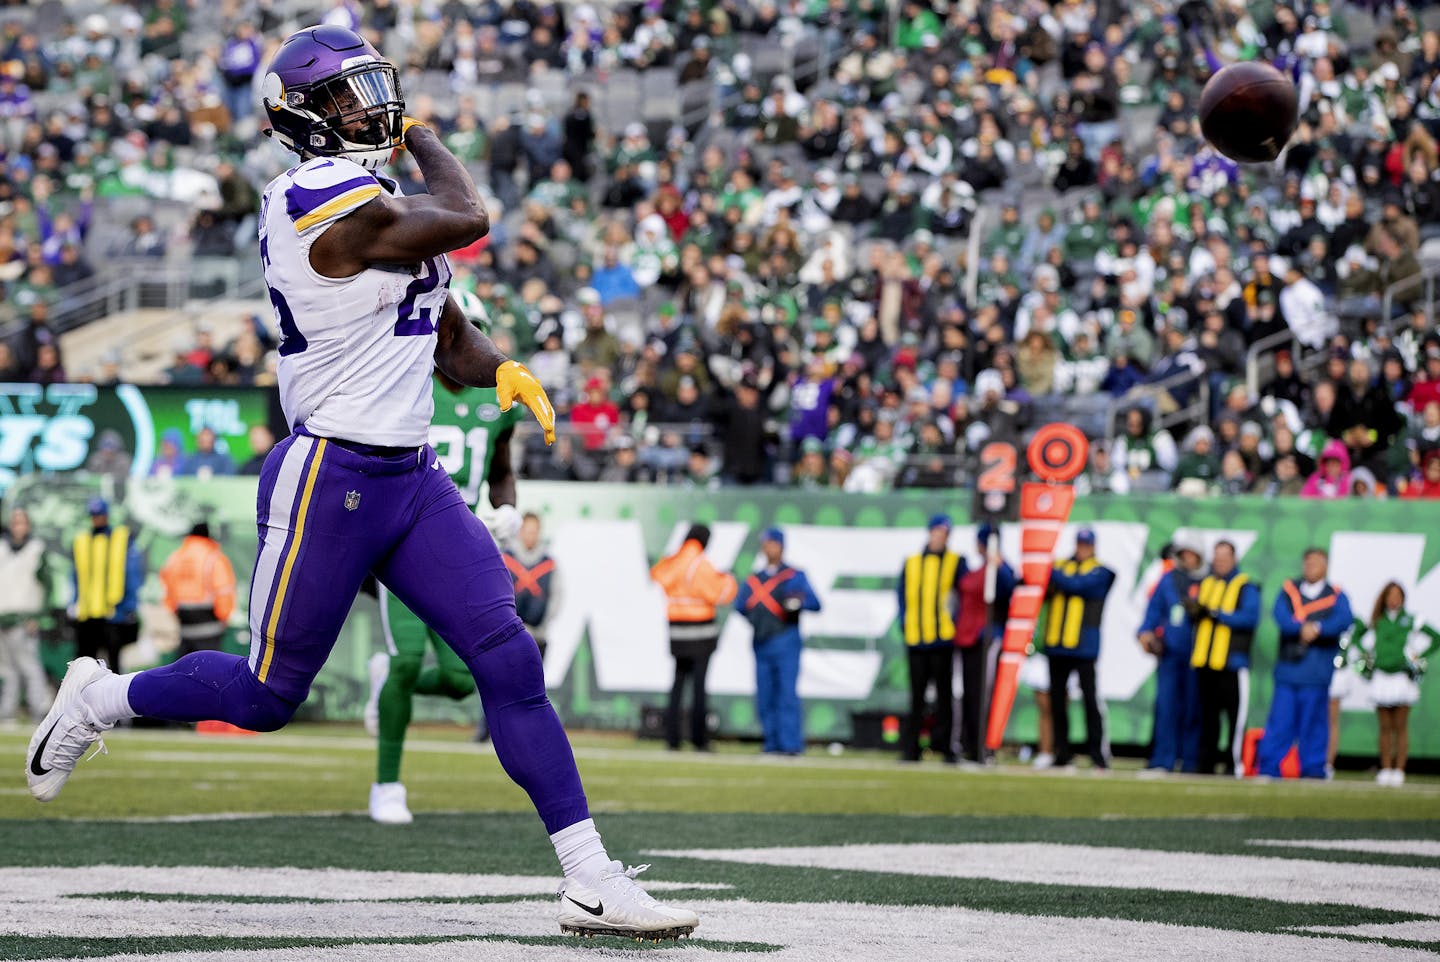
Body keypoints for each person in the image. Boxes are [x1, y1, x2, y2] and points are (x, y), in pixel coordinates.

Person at [28, 26, 698, 942]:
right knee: (267, 696)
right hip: (331, 470)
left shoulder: (370, 199)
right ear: (299, 119)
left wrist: (501, 370)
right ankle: (98, 696)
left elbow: (448, 331)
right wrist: (423, 135)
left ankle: (589, 875)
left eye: (370, 90)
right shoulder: (312, 194)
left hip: (412, 475)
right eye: (345, 97)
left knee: (508, 658)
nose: (368, 109)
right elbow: (467, 216)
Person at [362, 286, 542, 824]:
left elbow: (501, 471)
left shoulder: (496, 403)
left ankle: (386, 680)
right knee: (408, 660)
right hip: (404, 538)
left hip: (460, 542)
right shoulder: (405, 384)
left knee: (466, 679)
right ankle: (387, 785)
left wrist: (507, 507)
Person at [1256, 548, 1353, 780]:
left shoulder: (1336, 594)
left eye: (1316, 563)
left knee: (1314, 725)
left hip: (1317, 673)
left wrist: (1317, 629)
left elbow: (1344, 620)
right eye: (1307, 562)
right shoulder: (1290, 590)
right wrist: (1302, 628)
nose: (1310, 567)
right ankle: (1269, 767)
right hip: (1288, 671)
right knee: (1280, 723)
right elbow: (1280, 616)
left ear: (1325, 566)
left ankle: (1312, 769)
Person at [734, 527, 821, 756]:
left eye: (772, 543)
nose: (768, 547)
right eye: (765, 543)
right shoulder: (755, 580)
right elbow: (740, 605)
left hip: (786, 640)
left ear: (781, 546)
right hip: (761, 641)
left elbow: (814, 602)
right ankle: (771, 742)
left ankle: (790, 744)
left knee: (786, 694)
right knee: (765, 694)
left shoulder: (794, 576)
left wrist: (796, 602)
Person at [651, 524, 737, 752]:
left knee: (678, 684)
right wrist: (729, 579)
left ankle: (672, 738)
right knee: (699, 687)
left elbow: (657, 575)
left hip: (677, 631)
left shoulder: (674, 560)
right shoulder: (701, 563)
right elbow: (721, 593)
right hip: (701, 633)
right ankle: (699, 739)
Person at [1042, 528, 1115, 770]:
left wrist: (1049, 570)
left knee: (1089, 701)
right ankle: (1061, 752)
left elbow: (1078, 585)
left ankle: (1097, 754)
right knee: (1057, 703)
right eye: (1080, 543)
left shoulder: (1100, 571)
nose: (1082, 548)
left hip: (1083, 647)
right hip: (1057, 645)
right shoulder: (1062, 565)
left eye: (1087, 544)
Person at [1353, 582, 1439, 786]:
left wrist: (1419, 657)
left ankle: (1399, 769)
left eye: (1397, 595)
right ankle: (1385, 768)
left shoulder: (1411, 620)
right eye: (1390, 595)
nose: (1394, 599)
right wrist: (1365, 655)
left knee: (1400, 726)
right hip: (1381, 677)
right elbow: (1356, 636)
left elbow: (1436, 638)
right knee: (1384, 726)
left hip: (1402, 677)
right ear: (1384, 598)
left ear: (1403, 598)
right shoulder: (1377, 620)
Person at [1188, 541, 1261, 776]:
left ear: (1234, 558)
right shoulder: (1206, 583)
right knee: (1207, 718)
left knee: (1234, 719)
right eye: (1216, 557)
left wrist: (1217, 614)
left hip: (1232, 662)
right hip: (1205, 662)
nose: (1219, 562)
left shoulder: (1245, 586)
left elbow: (1249, 618)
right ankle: (1205, 764)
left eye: (1224, 557)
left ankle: (1234, 764)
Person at [896, 515, 961, 763]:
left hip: (943, 638)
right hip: (917, 637)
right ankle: (911, 748)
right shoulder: (912, 562)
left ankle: (945, 746)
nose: (938, 536)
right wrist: (904, 622)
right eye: (936, 531)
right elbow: (901, 595)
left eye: (943, 532)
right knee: (917, 697)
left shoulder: (955, 562)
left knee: (945, 697)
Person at [1138, 538, 1205, 774]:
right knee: (1166, 706)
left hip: (1199, 654)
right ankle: (1162, 759)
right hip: (1170, 652)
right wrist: (1145, 631)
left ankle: (1189, 761)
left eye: (1191, 554)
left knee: (1193, 709)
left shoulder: (1207, 581)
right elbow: (1154, 608)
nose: (1187, 558)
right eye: (1183, 554)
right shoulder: (1170, 579)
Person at [952, 522, 1015, 764]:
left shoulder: (999, 570)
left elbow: (1010, 588)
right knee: (967, 694)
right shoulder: (974, 572)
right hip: (966, 638)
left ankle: (983, 746)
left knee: (983, 694)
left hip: (986, 638)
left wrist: (999, 565)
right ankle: (968, 744)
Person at [69, 498, 144, 672]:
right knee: (85, 665)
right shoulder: (82, 540)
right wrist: (73, 603)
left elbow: (132, 573)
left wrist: (129, 606)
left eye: (100, 515)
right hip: (87, 613)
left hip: (113, 612)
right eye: (94, 515)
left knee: (114, 665)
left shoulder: (121, 538)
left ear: (107, 515)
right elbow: (75, 575)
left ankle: (115, 700)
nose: (97, 519)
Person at [0, 508, 51, 724]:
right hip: (3, 616)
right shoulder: (2, 548)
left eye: (22, 522)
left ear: (28, 525)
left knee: (30, 666)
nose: (17, 527)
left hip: (24, 617)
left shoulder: (36, 550)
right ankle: (8, 711)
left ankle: (38, 709)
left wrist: (38, 616)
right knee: (7, 669)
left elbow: (48, 585)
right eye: (14, 522)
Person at [158, 522, 237, 657]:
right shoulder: (214, 558)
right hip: (210, 628)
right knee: (209, 672)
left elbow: (167, 591)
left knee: (186, 672)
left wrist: (176, 612)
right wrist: (224, 616)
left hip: (184, 627)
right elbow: (223, 591)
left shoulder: (176, 557)